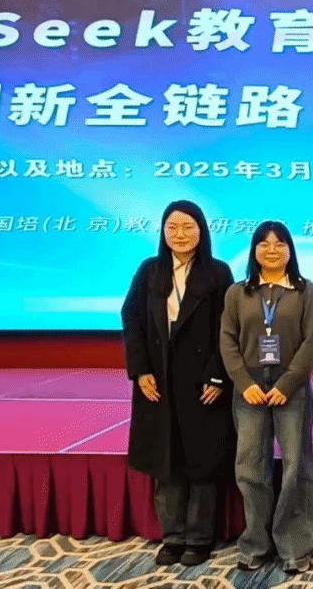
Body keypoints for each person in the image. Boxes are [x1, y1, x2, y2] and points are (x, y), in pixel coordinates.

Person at [121, 200, 235, 567]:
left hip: (203, 382)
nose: (180, 234)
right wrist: (140, 371)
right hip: (159, 380)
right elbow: (132, 318)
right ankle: (173, 536)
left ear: (202, 230)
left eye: (188, 227)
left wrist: (218, 375)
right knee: (165, 462)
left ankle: (199, 538)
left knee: (203, 462)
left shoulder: (218, 272)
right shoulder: (150, 270)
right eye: (173, 227)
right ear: (163, 232)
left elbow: (227, 327)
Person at [220, 221, 313, 575]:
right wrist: (243, 382)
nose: (272, 250)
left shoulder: (305, 291)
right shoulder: (238, 293)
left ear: (290, 250)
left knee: (296, 467)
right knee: (250, 469)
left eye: (280, 243)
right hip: (248, 390)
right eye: (264, 244)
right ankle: (255, 543)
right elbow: (227, 340)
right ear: (254, 251)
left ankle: (295, 545)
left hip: (292, 392)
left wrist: (288, 384)